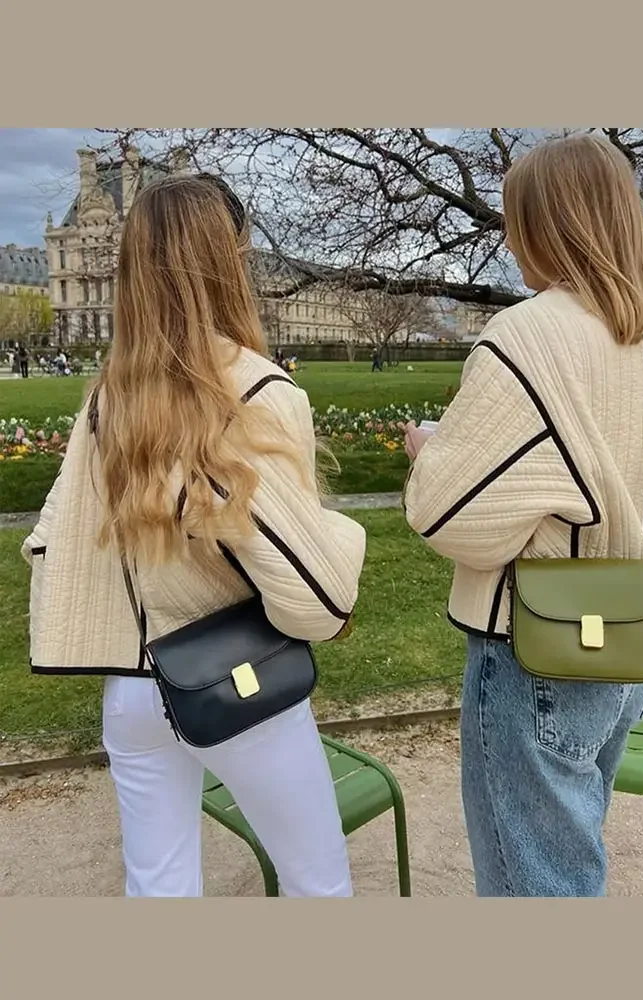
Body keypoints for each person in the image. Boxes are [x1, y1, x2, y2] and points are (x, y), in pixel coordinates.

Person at [22, 173, 367, 898]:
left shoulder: (108, 395)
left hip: (133, 684)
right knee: (318, 884)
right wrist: (342, 537)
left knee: (160, 885)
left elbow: (51, 538)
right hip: (233, 675)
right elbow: (315, 586)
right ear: (229, 260)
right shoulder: (256, 389)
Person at [403, 133, 643, 897]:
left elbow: (457, 516)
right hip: (633, 643)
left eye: (518, 220)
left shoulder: (526, 336)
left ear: (544, 225)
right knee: (569, 854)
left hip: (537, 651)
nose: (512, 240)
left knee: (536, 884)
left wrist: (432, 457)